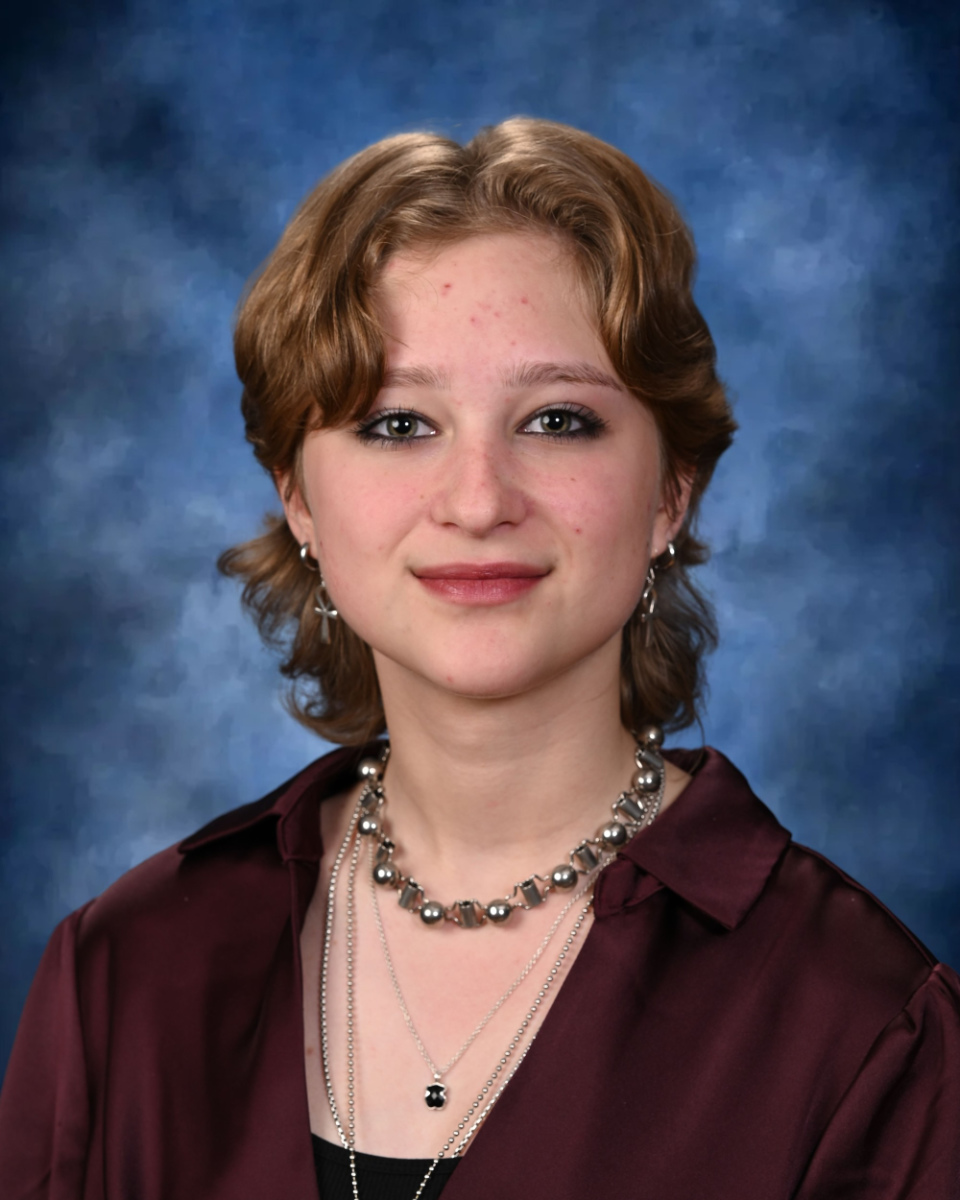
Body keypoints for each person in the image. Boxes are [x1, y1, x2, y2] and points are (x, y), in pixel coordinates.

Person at [1, 117, 958, 1200]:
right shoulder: (120, 973)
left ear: (670, 492)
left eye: (557, 420)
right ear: (298, 497)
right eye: (398, 424)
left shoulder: (869, 1026)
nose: (477, 501)